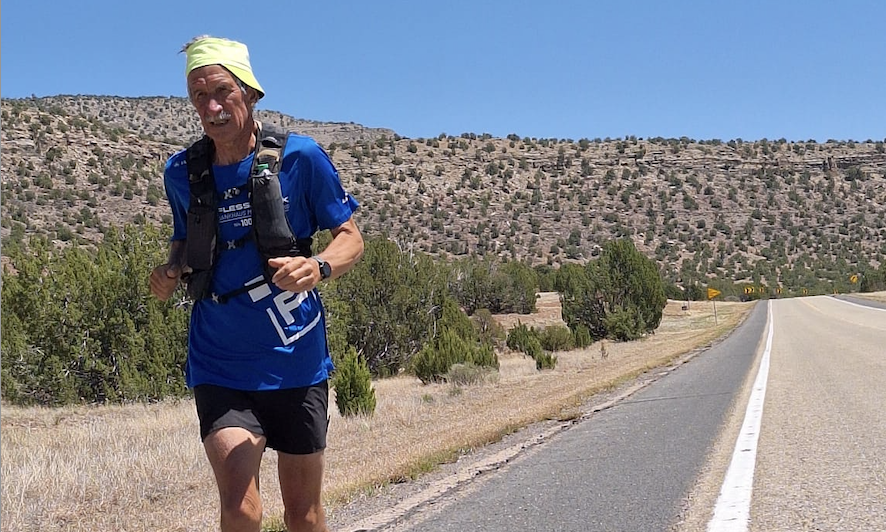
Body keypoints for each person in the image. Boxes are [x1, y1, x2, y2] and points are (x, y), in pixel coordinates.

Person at [149, 35, 363, 532]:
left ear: (250, 94)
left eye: (222, 91)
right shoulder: (182, 172)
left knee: (302, 514)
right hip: (219, 359)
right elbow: (185, 239)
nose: (212, 106)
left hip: (295, 357)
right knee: (239, 506)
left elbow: (350, 238)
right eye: (199, 96)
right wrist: (170, 269)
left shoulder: (301, 159)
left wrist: (319, 268)